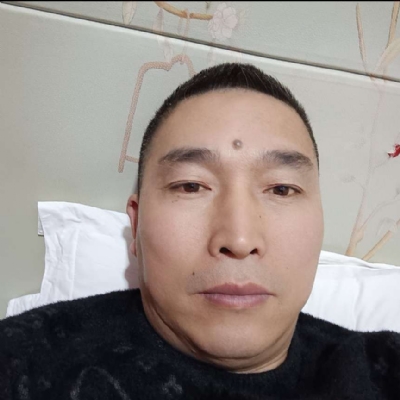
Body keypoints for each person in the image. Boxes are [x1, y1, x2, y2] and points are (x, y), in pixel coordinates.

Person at [0, 63, 399, 400]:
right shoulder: (21, 361)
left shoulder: (383, 369)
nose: (239, 240)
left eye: (281, 189)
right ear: (135, 225)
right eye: (191, 186)